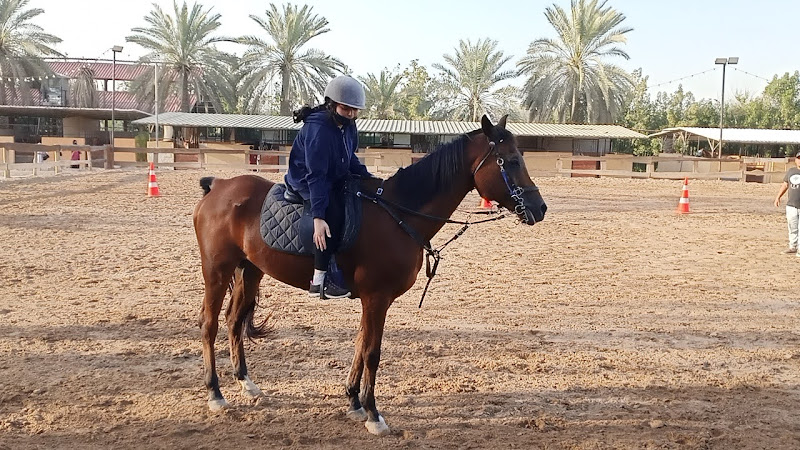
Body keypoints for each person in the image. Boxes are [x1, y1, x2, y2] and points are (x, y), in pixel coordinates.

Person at [285, 75, 374, 299]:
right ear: (332, 104)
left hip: (334, 175)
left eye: (355, 110)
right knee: (332, 211)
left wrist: (369, 179)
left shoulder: (349, 126)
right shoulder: (319, 130)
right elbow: (316, 175)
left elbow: (350, 158)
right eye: (347, 109)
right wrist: (318, 217)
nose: (352, 114)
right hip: (307, 178)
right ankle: (321, 279)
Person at [774, 151, 800, 255]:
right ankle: (792, 246)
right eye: (799, 158)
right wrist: (778, 197)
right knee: (792, 226)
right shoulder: (791, 171)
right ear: (795, 160)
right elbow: (785, 185)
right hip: (791, 205)